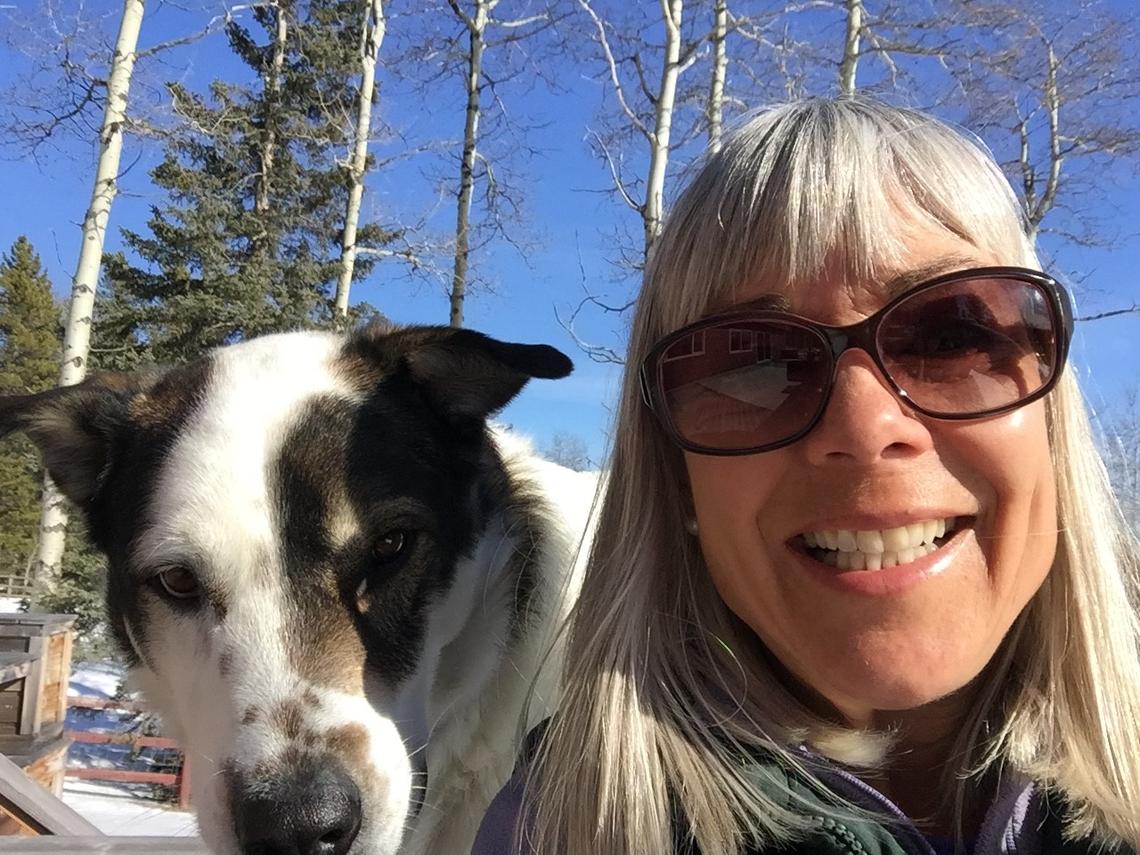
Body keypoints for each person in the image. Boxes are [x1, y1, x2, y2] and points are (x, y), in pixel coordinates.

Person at [471, 97, 1140, 855]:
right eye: (753, 362)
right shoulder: (558, 829)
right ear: (676, 480)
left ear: (1052, 420)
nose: (864, 429)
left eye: (952, 334)